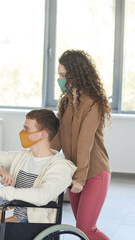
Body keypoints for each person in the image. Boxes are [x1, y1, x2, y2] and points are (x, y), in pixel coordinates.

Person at [0, 109, 77, 240]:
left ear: (42, 134)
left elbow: (42, 196)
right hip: (7, 213)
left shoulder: (61, 167)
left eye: (27, 129)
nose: (22, 133)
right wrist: (1, 170)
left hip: (29, 222)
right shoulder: (23, 156)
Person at [51, 49, 111, 240]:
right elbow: (58, 139)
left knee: (86, 229)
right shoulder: (66, 102)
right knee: (81, 230)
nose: (59, 79)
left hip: (94, 173)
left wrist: (80, 178)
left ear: (76, 75)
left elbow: (85, 142)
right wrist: (39, 158)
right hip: (74, 173)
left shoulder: (93, 103)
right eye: (58, 74)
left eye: (63, 75)